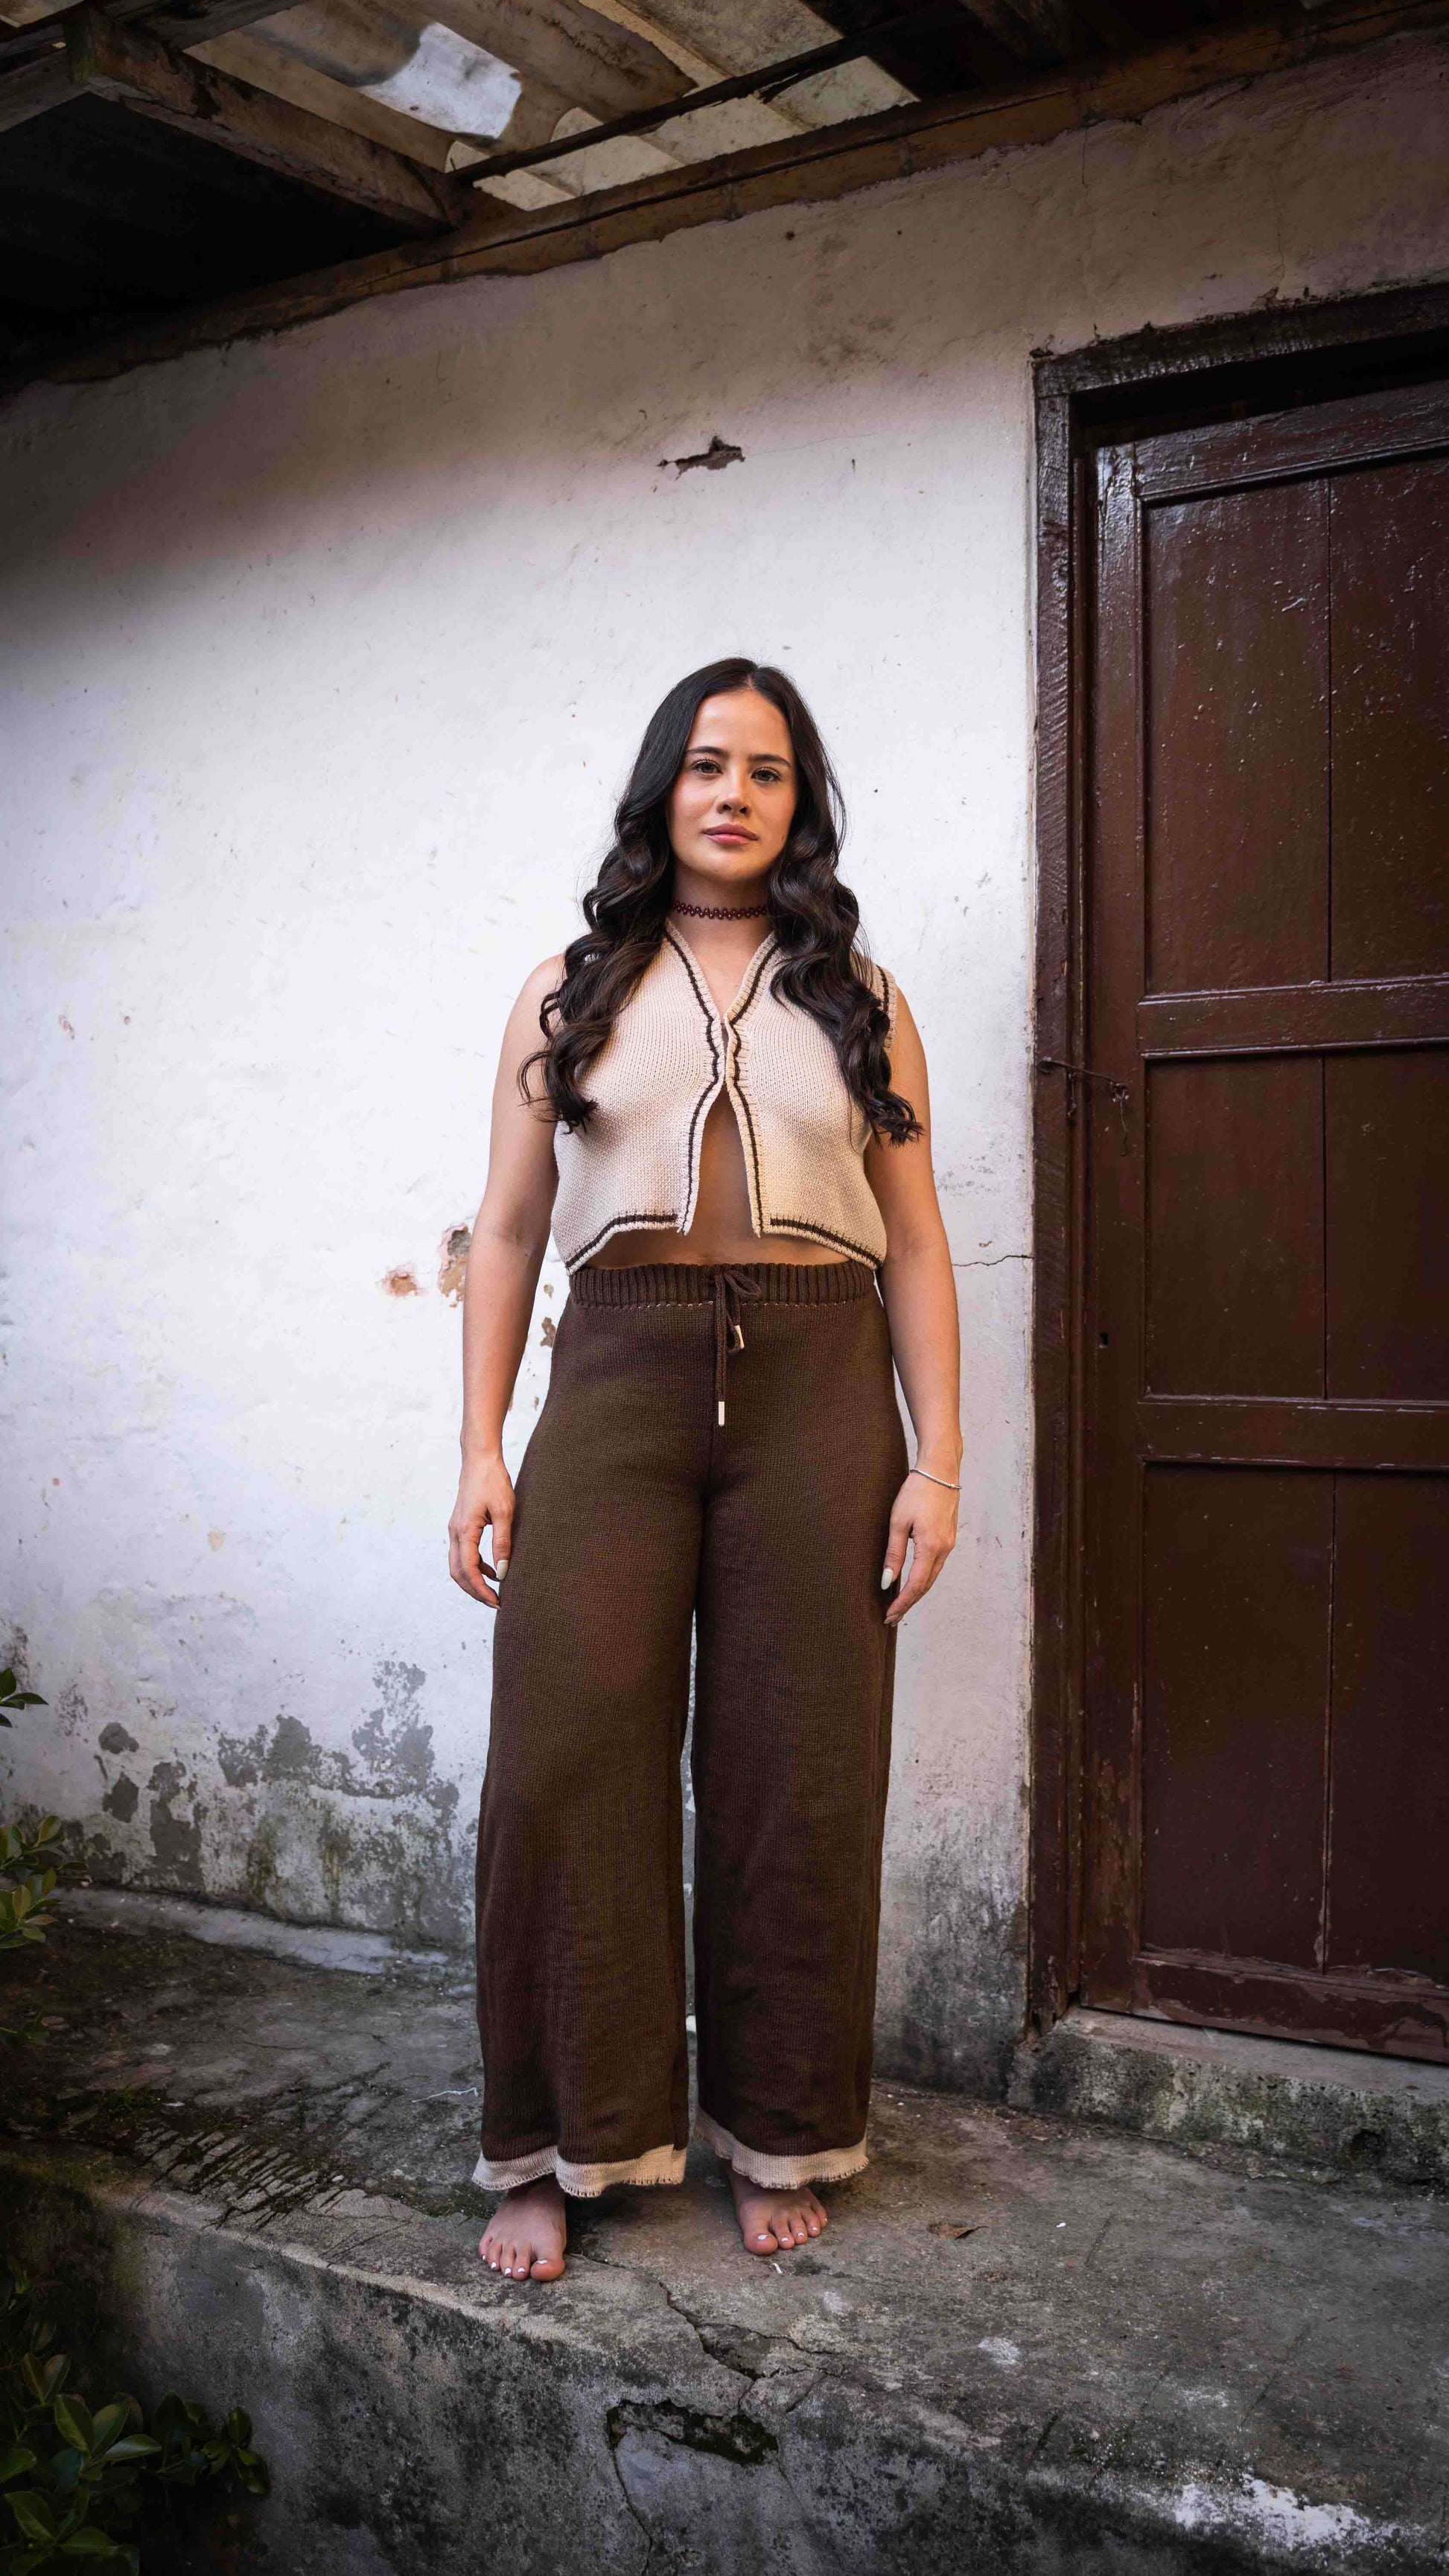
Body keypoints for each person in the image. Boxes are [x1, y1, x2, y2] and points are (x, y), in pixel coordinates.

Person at [449, 657, 961, 2284]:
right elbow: (509, 1229)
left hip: (821, 1384)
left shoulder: (861, 997)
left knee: (798, 1768)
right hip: (616, 1378)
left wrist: (938, 1460)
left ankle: (776, 2129)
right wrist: (480, 1447)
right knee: (560, 1755)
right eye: (707, 763)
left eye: (767, 770)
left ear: (800, 807)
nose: (733, 793)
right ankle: (553, 2141)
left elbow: (918, 1243)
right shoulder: (568, 989)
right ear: (662, 786)